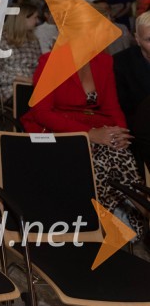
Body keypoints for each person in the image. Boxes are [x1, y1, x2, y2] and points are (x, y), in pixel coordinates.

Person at [22, 52, 144, 238]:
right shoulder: (50, 61)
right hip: (59, 131)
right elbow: (41, 112)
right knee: (101, 157)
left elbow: (112, 107)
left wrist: (121, 133)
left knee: (119, 150)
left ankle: (118, 215)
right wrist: (88, 134)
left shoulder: (103, 60)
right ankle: (134, 210)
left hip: (96, 127)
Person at [113, 11, 150, 170]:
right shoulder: (121, 63)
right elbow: (122, 109)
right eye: (149, 40)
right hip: (139, 134)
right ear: (137, 39)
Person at [0, 3, 40, 102]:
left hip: (32, 85)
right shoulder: (1, 40)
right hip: (10, 87)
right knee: (28, 99)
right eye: (35, 17)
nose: (37, 21)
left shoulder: (33, 40)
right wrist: (24, 79)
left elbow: (39, 66)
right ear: (23, 19)